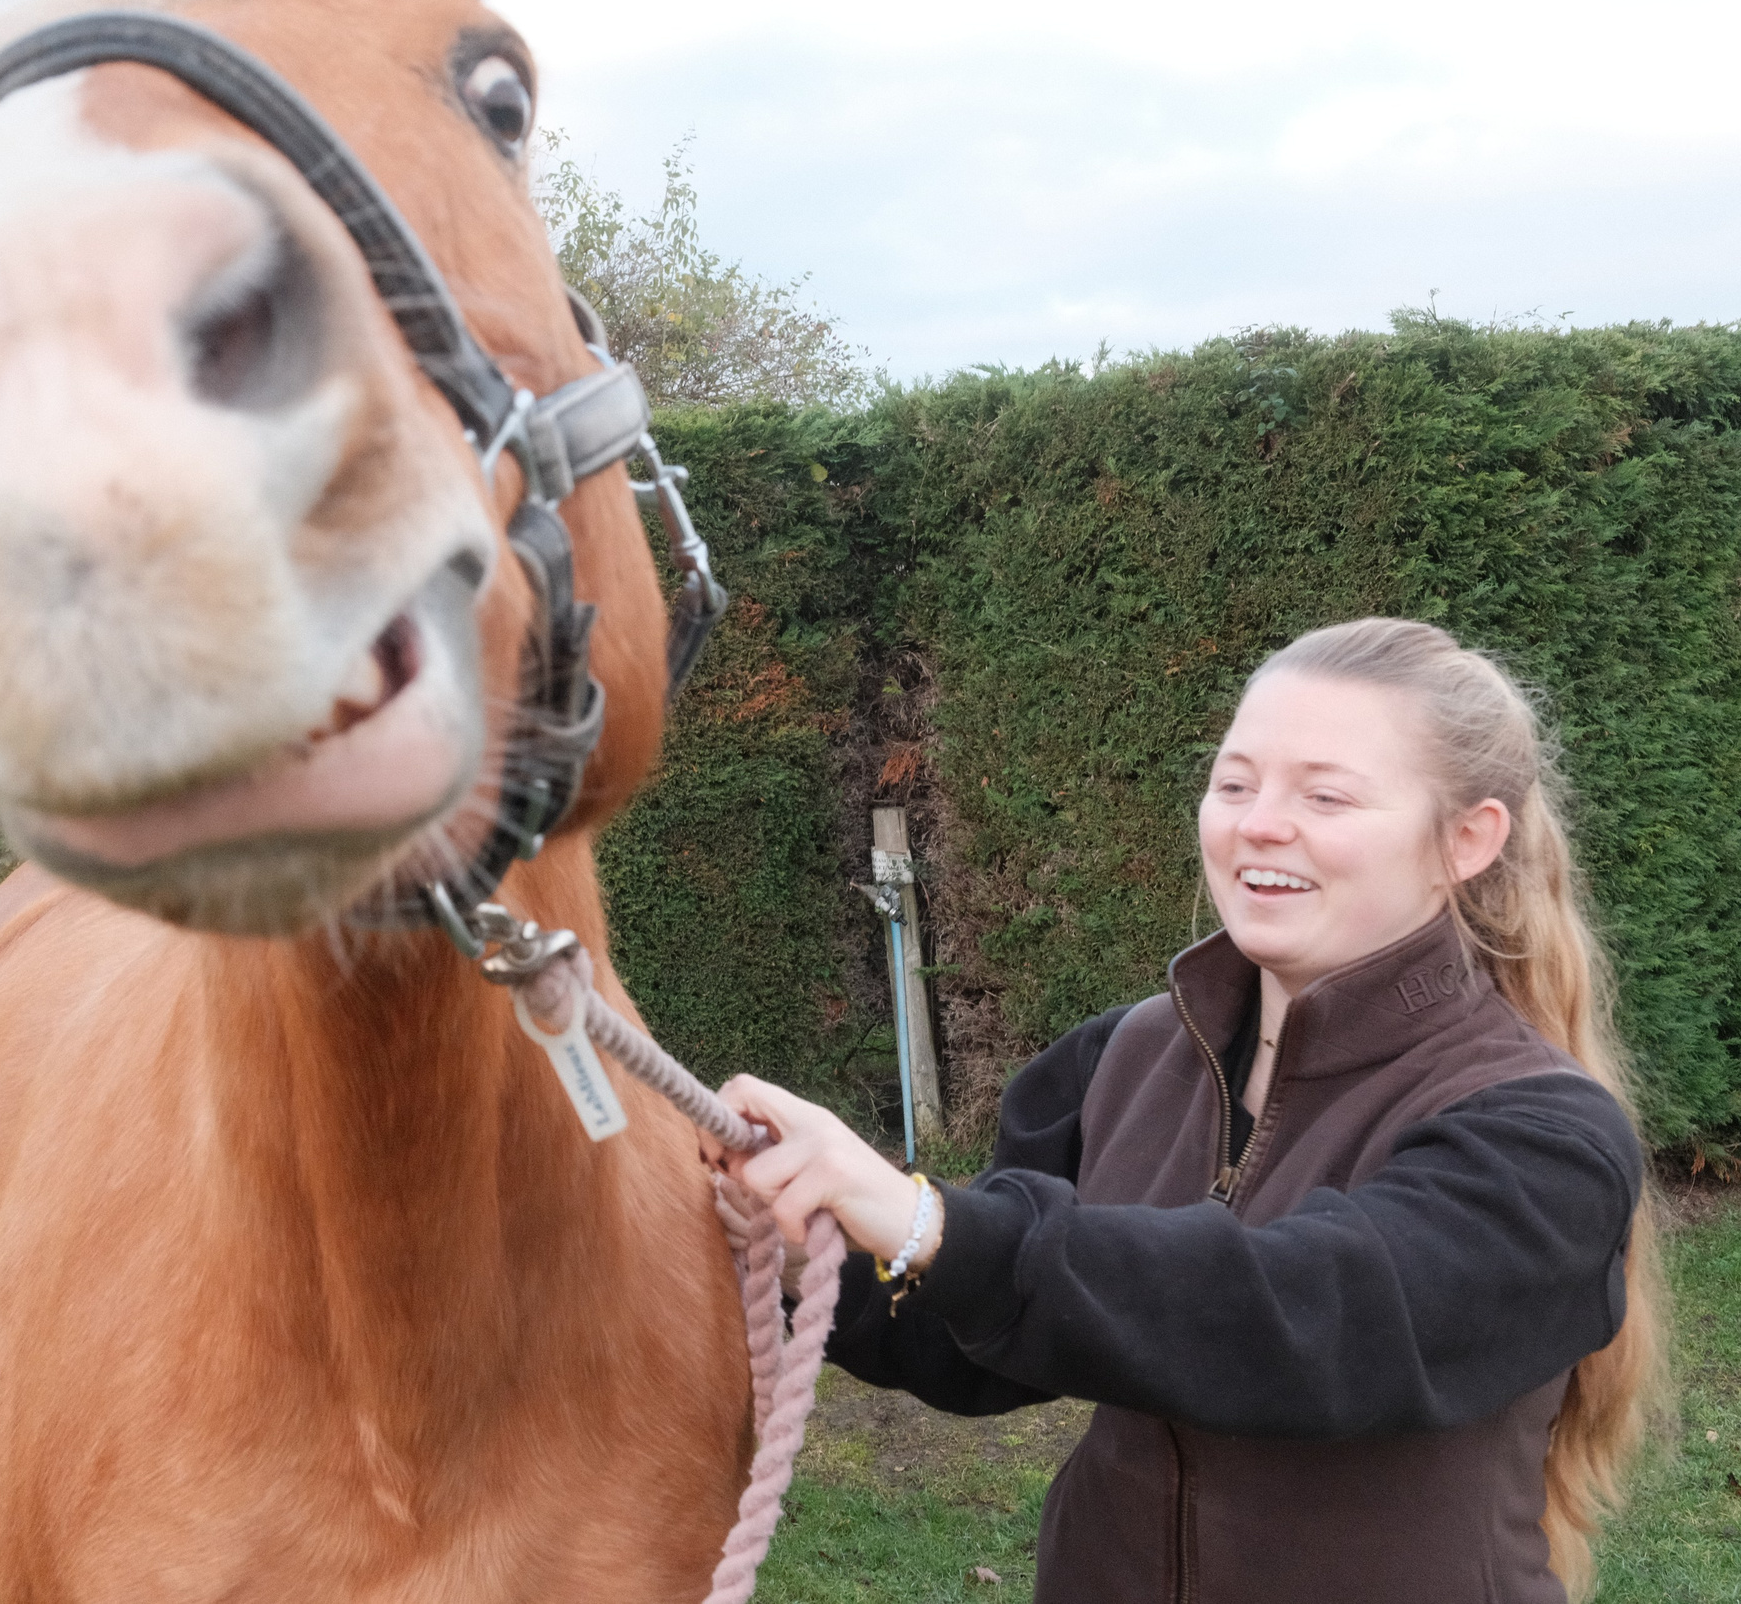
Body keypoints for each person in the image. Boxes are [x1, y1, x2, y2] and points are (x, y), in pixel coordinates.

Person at [704, 618, 1662, 1604]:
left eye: (1325, 795)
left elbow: (1301, 1318)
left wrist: (926, 1220)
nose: (1259, 824)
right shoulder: (1119, 1059)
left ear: (1466, 840)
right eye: (1235, 784)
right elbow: (984, 1336)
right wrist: (810, 1254)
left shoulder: (1545, 1139)